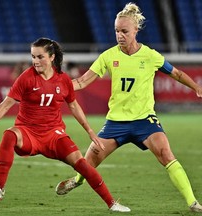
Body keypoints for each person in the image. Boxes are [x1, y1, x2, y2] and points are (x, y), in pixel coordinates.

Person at [55, 3, 202, 213]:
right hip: (116, 122)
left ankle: (193, 202)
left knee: (166, 154)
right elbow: (82, 81)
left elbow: (176, 73)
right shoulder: (108, 56)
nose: (119, 35)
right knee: (89, 162)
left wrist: (196, 86)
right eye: (116, 31)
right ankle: (77, 181)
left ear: (136, 31)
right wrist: (62, 87)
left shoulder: (150, 56)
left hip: (145, 120)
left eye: (124, 31)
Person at [0, 38, 130, 212]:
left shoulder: (63, 80)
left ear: (51, 57)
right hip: (28, 133)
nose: (35, 61)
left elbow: (73, 106)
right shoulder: (26, 78)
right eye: (33, 57)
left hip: (53, 135)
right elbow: (6, 104)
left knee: (82, 164)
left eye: (40, 57)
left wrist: (90, 131)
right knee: (9, 135)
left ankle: (112, 203)